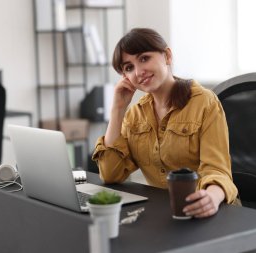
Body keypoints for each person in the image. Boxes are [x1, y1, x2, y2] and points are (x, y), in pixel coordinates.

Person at [92, 28, 239, 218]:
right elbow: (111, 174)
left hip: (212, 212)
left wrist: (211, 197)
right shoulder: (134, 115)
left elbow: (217, 170)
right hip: (166, 214)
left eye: (144, 58)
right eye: (128, 67)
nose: (138, 72)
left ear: (167, 56)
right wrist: (117, 109)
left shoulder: (204, 102)